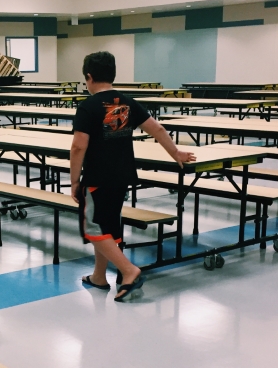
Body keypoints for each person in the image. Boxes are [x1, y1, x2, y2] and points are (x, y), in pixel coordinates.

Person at [70, 51, 196, 302]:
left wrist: (74, 180)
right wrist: (176, 153)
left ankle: (128, 270)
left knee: (94, 229)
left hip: (97, 178)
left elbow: (78, 146)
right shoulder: (126, 102)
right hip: (122, 175)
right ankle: (98, 276)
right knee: (108, 226)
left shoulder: (88, 107)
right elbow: (156, 128)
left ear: (89, 77)